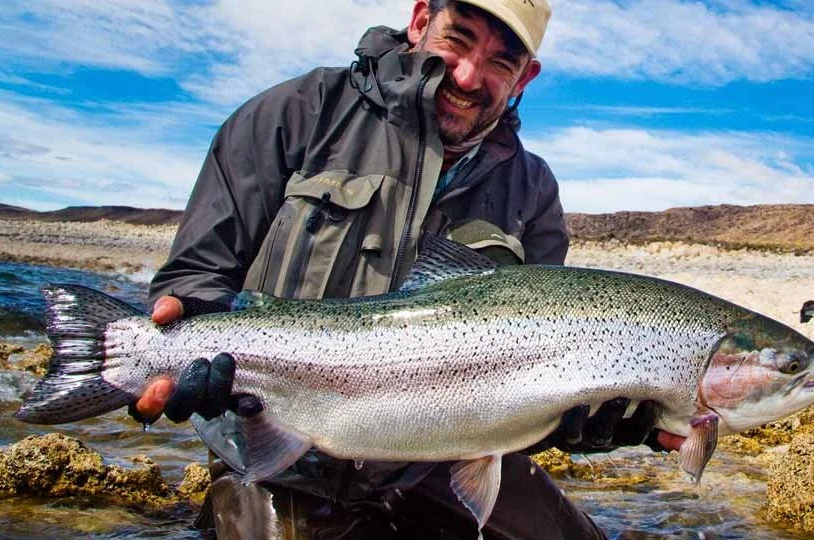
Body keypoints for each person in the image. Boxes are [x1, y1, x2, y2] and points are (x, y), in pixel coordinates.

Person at [130, 1, 682, 538]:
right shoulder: (296, 113)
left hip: (441, 457)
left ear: (525, 78)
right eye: (457, 40)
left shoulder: (532, 190)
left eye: (500, 63)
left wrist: (577, 424)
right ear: (420, 21)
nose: (468, 76)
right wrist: (186, 332)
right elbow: (196, 275)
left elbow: (526, 378)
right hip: (281, 445)